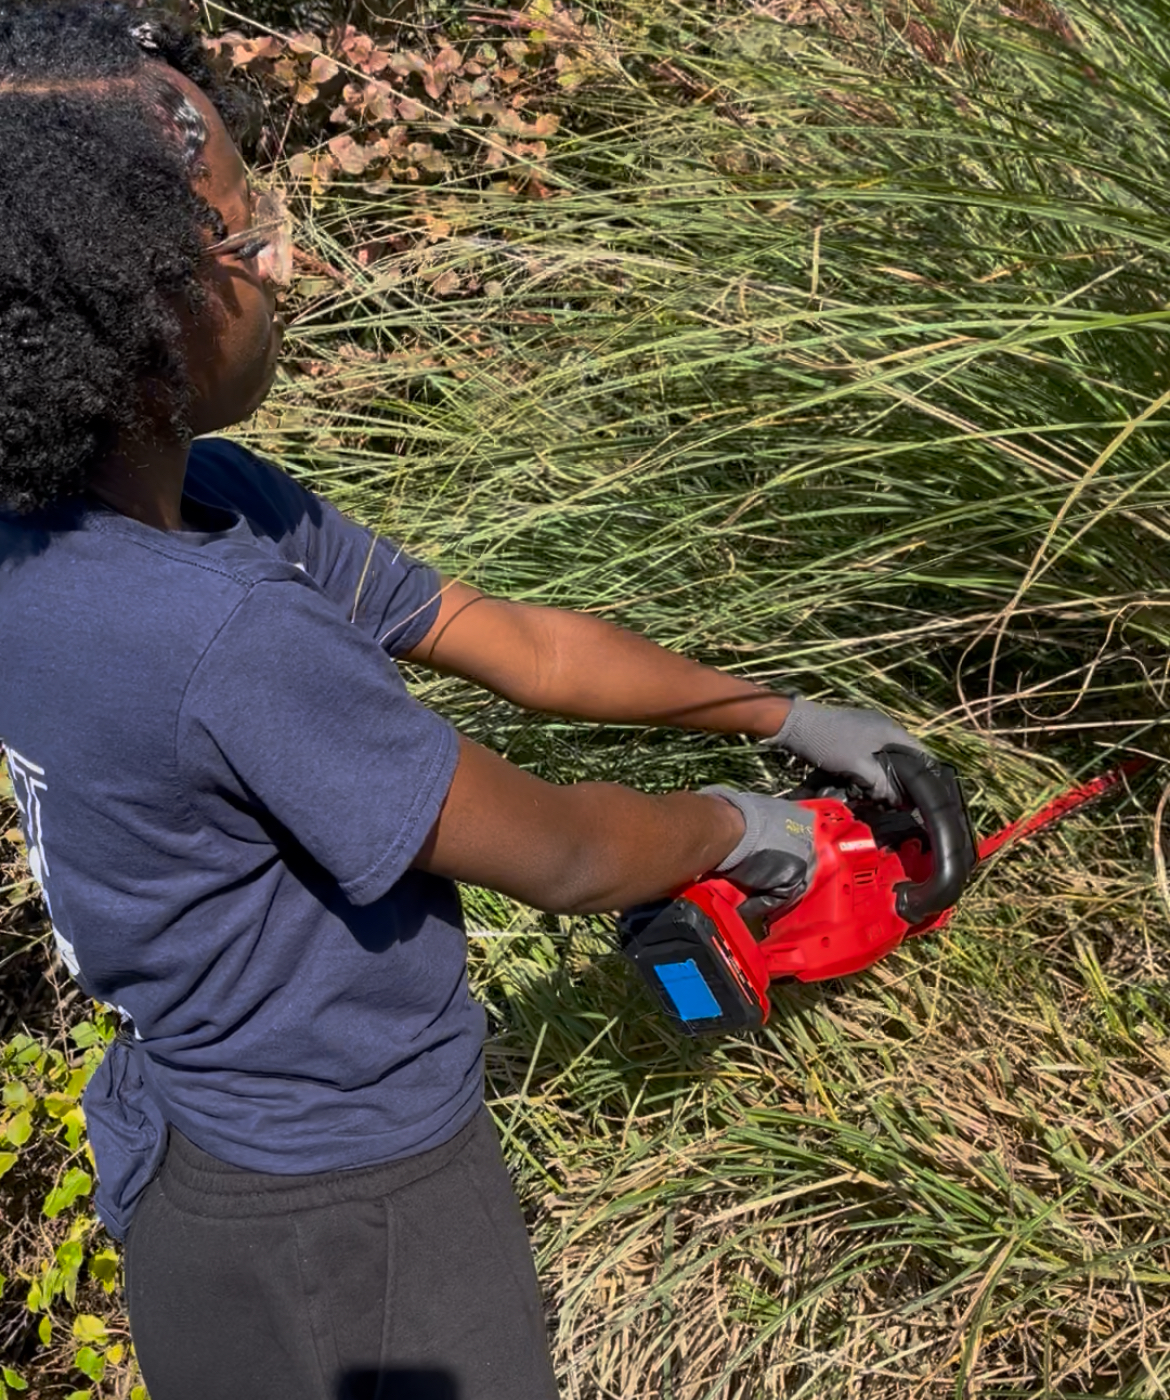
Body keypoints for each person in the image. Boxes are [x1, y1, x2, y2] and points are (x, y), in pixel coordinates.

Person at [0, 6, 943, 1398]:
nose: (286, 263)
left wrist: (781, 715)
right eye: (246, 240)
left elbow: (504, 639)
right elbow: (555, 853)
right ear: (136, 294)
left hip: (198, 1147)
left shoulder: (151, 520)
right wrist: (740, 829)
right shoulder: (220, 632)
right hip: (346, 1220)